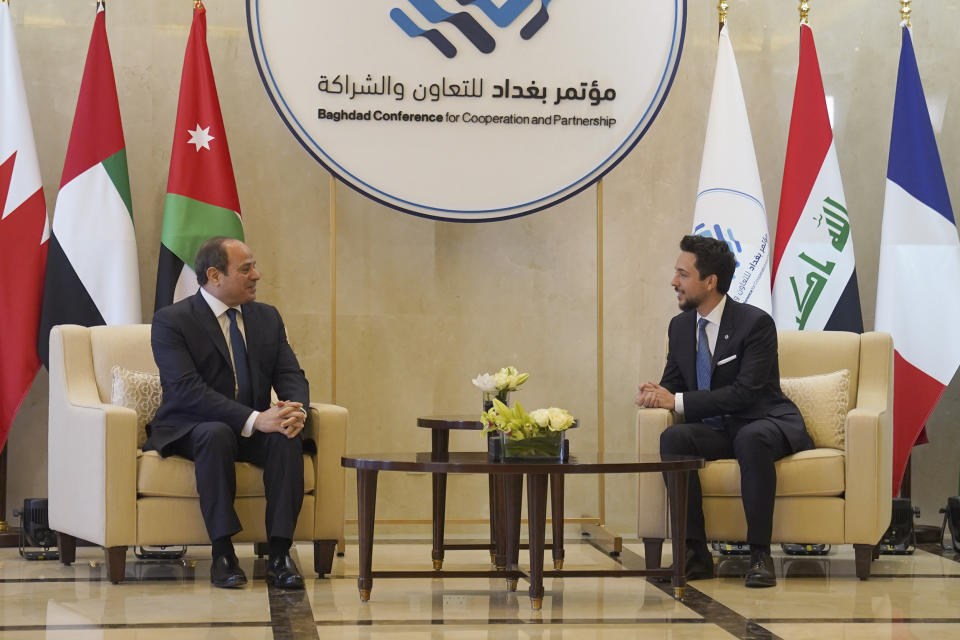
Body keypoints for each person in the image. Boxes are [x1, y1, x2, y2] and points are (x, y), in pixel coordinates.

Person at [636, 235, 813, 588]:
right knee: (674, 436)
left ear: (710, 282)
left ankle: (760, 556)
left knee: (751, 437)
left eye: (682, 275)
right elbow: (673, 384)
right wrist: (656, 395)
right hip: (716, 429)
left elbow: (745, 394)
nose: (674, 282)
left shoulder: (755, 323)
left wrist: (678, 401)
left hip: (762, 420)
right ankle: (694, 555)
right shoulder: (681, 327)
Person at [144, 237, 310, 590]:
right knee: (216, 433)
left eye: (254, 266)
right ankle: (223, 553)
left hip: (251, 426)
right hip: (191, 425)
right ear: (215, 275)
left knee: (286, 438)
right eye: (246, 268)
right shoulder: (172, 321)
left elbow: (290, 374)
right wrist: (254, 419)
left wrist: (294, 411)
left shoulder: (266, 317)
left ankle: (280, 554)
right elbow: (187, 390)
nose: (257, 275)